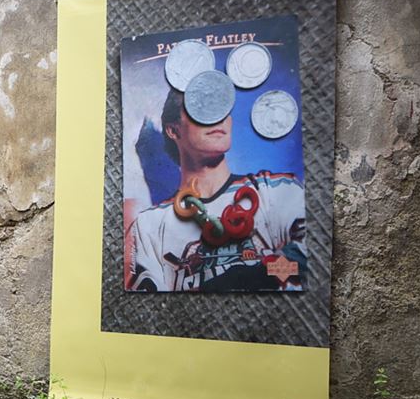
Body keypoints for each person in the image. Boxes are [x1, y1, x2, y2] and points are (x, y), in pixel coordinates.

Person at [127, 89, 306, 292]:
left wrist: (263, 273)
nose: (216, 116)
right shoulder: (149, 226)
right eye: (200, 109)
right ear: (173, 130)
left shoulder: (278, 191)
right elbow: (148, 303)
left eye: (222, 107)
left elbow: (308, 260)